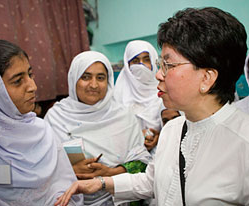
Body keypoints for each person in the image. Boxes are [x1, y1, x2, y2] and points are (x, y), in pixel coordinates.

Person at [54, 7, 249, 206]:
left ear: (206, 78)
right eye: (159, 63)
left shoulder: (244, 142)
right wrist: (101, 183)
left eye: (168, 65)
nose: (158, 74)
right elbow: (152, 180)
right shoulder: (172, 130)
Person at [0, 39, 83, 205]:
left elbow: (65, 185)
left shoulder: (41, 129)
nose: (32, 86)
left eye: (30, 74)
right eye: (18, 81)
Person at [44, 50, 150, 205]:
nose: (93, 85)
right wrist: (71, 170)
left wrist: (110, 173)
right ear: (74, 79)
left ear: (108, 82)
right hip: (70, 199)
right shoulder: (55, 117)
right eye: (85, 77)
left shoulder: (123, 116)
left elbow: (143, 162)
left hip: (118, 199)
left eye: (100, 78)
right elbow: (43, 168)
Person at [113, 40, 163, 152]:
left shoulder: (165, 91)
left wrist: (159, 137)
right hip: (127, 156)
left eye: (146, 60)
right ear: (127, 65)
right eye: (135, 61)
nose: (141, 65)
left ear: (154, 62)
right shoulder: (117, 94)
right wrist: (136, 137)